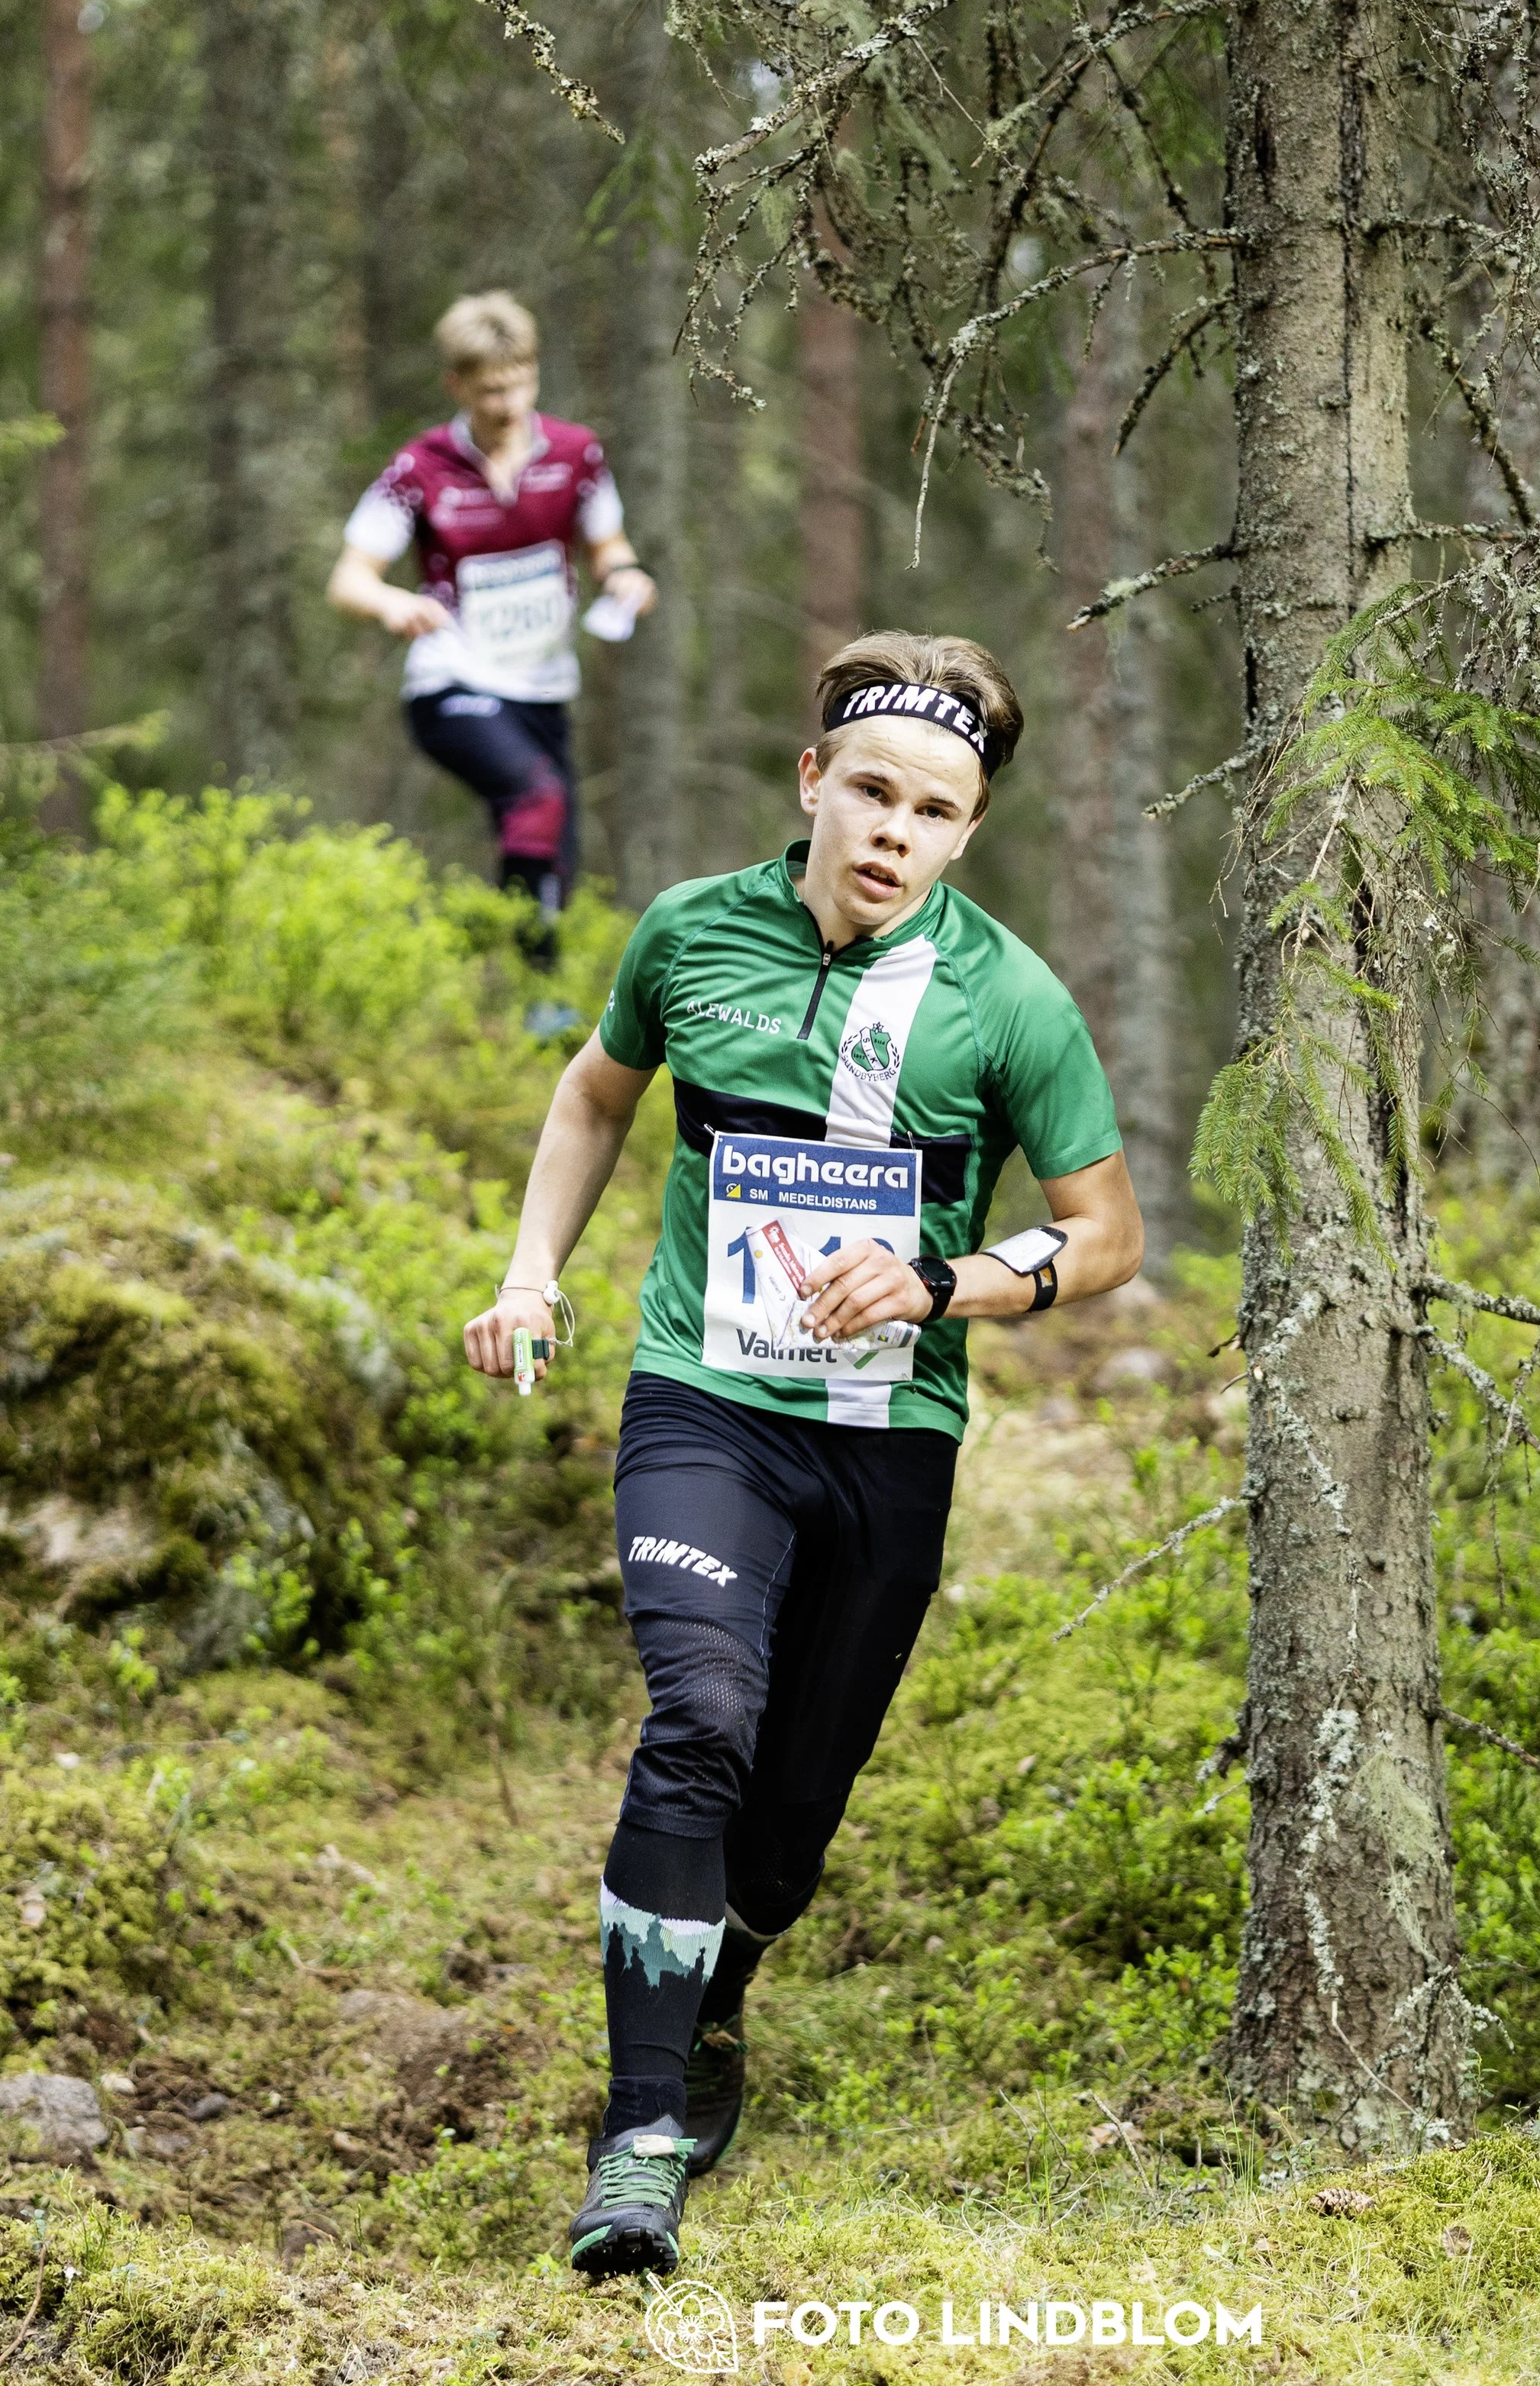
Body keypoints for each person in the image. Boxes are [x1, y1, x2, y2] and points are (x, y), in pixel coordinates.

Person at [462, 630, 1145, 2278]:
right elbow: (593, 1092)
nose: (894, 828)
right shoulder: (693, 932)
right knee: (695, 1714)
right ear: (811, 783)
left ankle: (718, 1990)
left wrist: (942, 1279)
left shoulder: (1006, 998)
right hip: (702, 1393)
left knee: (786, 1827)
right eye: (872, 790)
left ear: (967, 829)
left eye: (933, 806)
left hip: (887, 1437)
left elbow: (1104, 1233)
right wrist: (529, 1269)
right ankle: (634, 2139)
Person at [326, 290, 655, 993]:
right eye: (489, 391)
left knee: (556, 853)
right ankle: (504, 972)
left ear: (534, 372)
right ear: (457, 386)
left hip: (542, 687)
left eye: (518, 384)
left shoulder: (576, 455)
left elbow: (610, 546)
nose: (507, 404)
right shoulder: (420, 469)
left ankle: (518, 991)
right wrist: (394, 603)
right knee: (537, 799)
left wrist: (626, 578)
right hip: (454, 682)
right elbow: (349, 579)